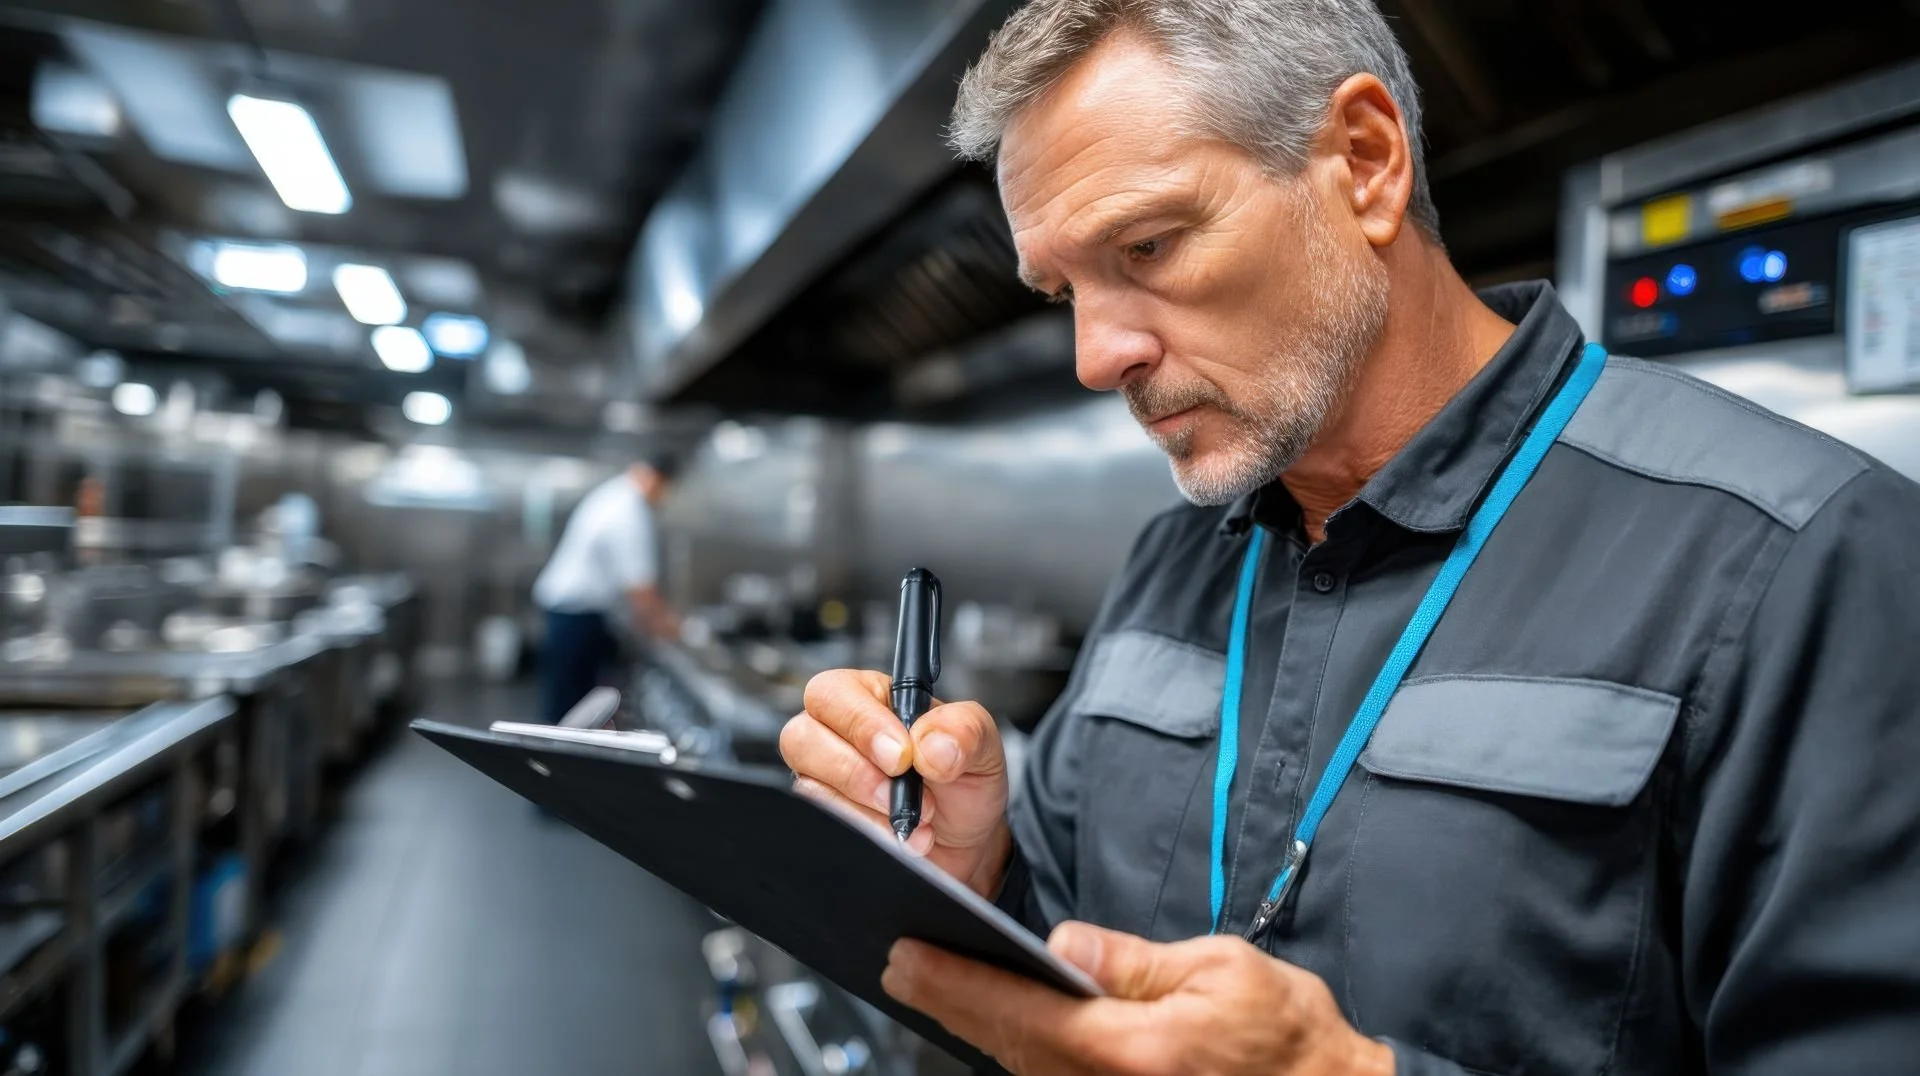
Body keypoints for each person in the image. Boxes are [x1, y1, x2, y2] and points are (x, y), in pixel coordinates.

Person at [779, 2, 1920, 1073]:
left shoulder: (1800, 564)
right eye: (1061, 290)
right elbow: (1074, 968)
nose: (1096, 357)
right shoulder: (1172, 564)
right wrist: (974, 877)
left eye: (1148, 247)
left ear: (1366, 162)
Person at [532, 454, 678, 727]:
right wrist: (671, 631)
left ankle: (561, 754)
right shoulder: (628, 512)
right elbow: (641, 590)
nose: (663, 497)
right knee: (572, 707)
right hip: (575, 614)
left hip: (570, 611)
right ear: (654, 479)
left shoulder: (615, 495)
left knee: (570, 699)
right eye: (664, 489)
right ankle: (562, 761)